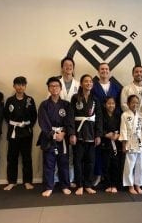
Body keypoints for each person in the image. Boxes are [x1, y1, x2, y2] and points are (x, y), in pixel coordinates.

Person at [38, 77, 75, 197]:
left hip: (63, 137)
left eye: (56, 86)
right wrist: (53, 134)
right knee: (49, 163)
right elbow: (43, 122)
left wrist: (64, 133)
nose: (54, 88)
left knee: (63, 162)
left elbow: (69, 121)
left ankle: (65, 185)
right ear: (48, 88)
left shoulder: (66, 105)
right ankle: (49, 186)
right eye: (52, 86)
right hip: (49, 137)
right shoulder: (44, 105)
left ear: (60, 88)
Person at [70, 74, 103, 195]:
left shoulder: (95, 99)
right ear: (81, 83)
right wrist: (72, 133)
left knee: (90, 161)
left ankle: (88, 184)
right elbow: (70, 116)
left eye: (90, 82)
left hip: (91, 133)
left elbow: (99, 118)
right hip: (78, 133)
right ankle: (79, 185)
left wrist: (98, 134)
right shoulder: (75, 98)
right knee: (78, 161)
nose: (88, 83)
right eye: (86, 81)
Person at [3, 76, 37, 191]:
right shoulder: (9, 101)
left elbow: (34, 116)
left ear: (25, 86)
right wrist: (14, 124)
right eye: (18, 84)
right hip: (13, 132)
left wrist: (27, 126)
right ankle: (12, 181)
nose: (20, 87)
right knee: (12, 157)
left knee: (27, 158)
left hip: (26, 132)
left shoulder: (30, 100)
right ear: (14, 86)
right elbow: (6, 116)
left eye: (22, 84)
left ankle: (27, 181)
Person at [92, 62, 122, 186]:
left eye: (106, 69)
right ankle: (99, 175)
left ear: (109, 71)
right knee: (98, 150)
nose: (104, 71)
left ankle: (110, 177)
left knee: (112, 154)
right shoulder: (93, 86)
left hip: (113, 122)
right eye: (102, 69)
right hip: (98, 121)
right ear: (98, 71)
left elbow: (118, 105)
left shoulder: (116, 87)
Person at [119, 95, 142, 194]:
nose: (135, 104)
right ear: (128, 104)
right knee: (129, 165)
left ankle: (138, 185)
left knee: (140, 165)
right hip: (129, 142)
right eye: (133, 102)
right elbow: (123, 130)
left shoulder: (141, 115)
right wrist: (124, 144)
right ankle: (130, 186)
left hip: (140, 142)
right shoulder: (124, 115)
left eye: (137, 102)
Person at [57, 56, 79, 187]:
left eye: (71, 65)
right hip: (58, 123)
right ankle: (55, 179)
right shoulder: (55, 83)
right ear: (62, 67)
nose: (68, 67)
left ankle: (70, 179)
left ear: (73, 67)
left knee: (71, 153)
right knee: (57, 152)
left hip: (73, 124)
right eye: (66, 65)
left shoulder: (78, 84)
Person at [101, 97, 122, 193]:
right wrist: (105, 134)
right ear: (105, 105)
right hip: (106, 143)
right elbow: (99, 127)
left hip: (116, 143)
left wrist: (118, 135)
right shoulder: (101, 115)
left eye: (113, 103)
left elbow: (123, 128)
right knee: (106, 164)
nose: (111, 105)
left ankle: (114, 184)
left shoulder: (118, 116)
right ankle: (107, 184)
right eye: (109, 103)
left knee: (115, 165)